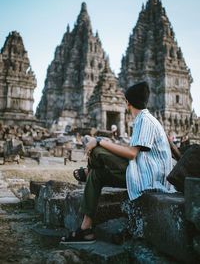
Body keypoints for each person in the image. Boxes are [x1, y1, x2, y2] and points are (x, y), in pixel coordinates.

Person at [61, 81, 174, 244]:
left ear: (127, 102)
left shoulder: (145, 121)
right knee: (96, 175)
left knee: (98, 150)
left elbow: (132, 154)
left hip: (149, 178)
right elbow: (132, 151)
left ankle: (88, 170)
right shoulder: (142, 119)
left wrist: (99, 141)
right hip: (140, 171)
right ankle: (86, 229)